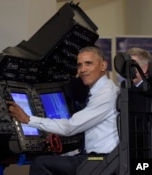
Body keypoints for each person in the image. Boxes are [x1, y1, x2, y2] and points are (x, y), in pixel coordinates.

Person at [7, 46, 119, 175]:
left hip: (100, 159)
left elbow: (70, 127)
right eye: (79, 65)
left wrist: (28, 119)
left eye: (88, 63)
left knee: (40, 163)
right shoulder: (102, 90)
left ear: (103, 65)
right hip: (99, 158)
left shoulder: (106, 94)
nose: (82, 70)